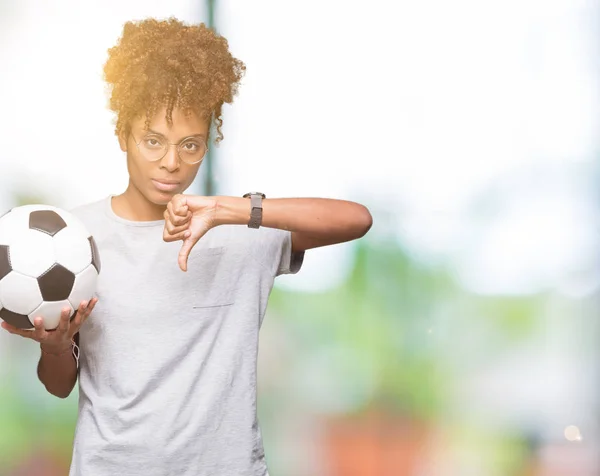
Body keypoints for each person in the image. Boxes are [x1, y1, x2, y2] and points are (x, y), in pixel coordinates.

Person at [1, 17, 372, 476]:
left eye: (191, 145)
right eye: (153, 141)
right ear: (123, 135)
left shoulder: (240, 230)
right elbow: (60, 387)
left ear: (209, 142)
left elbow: (357, 219)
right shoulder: (76, 240)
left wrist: (227, 210)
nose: (171, 163)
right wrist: (55, 348)